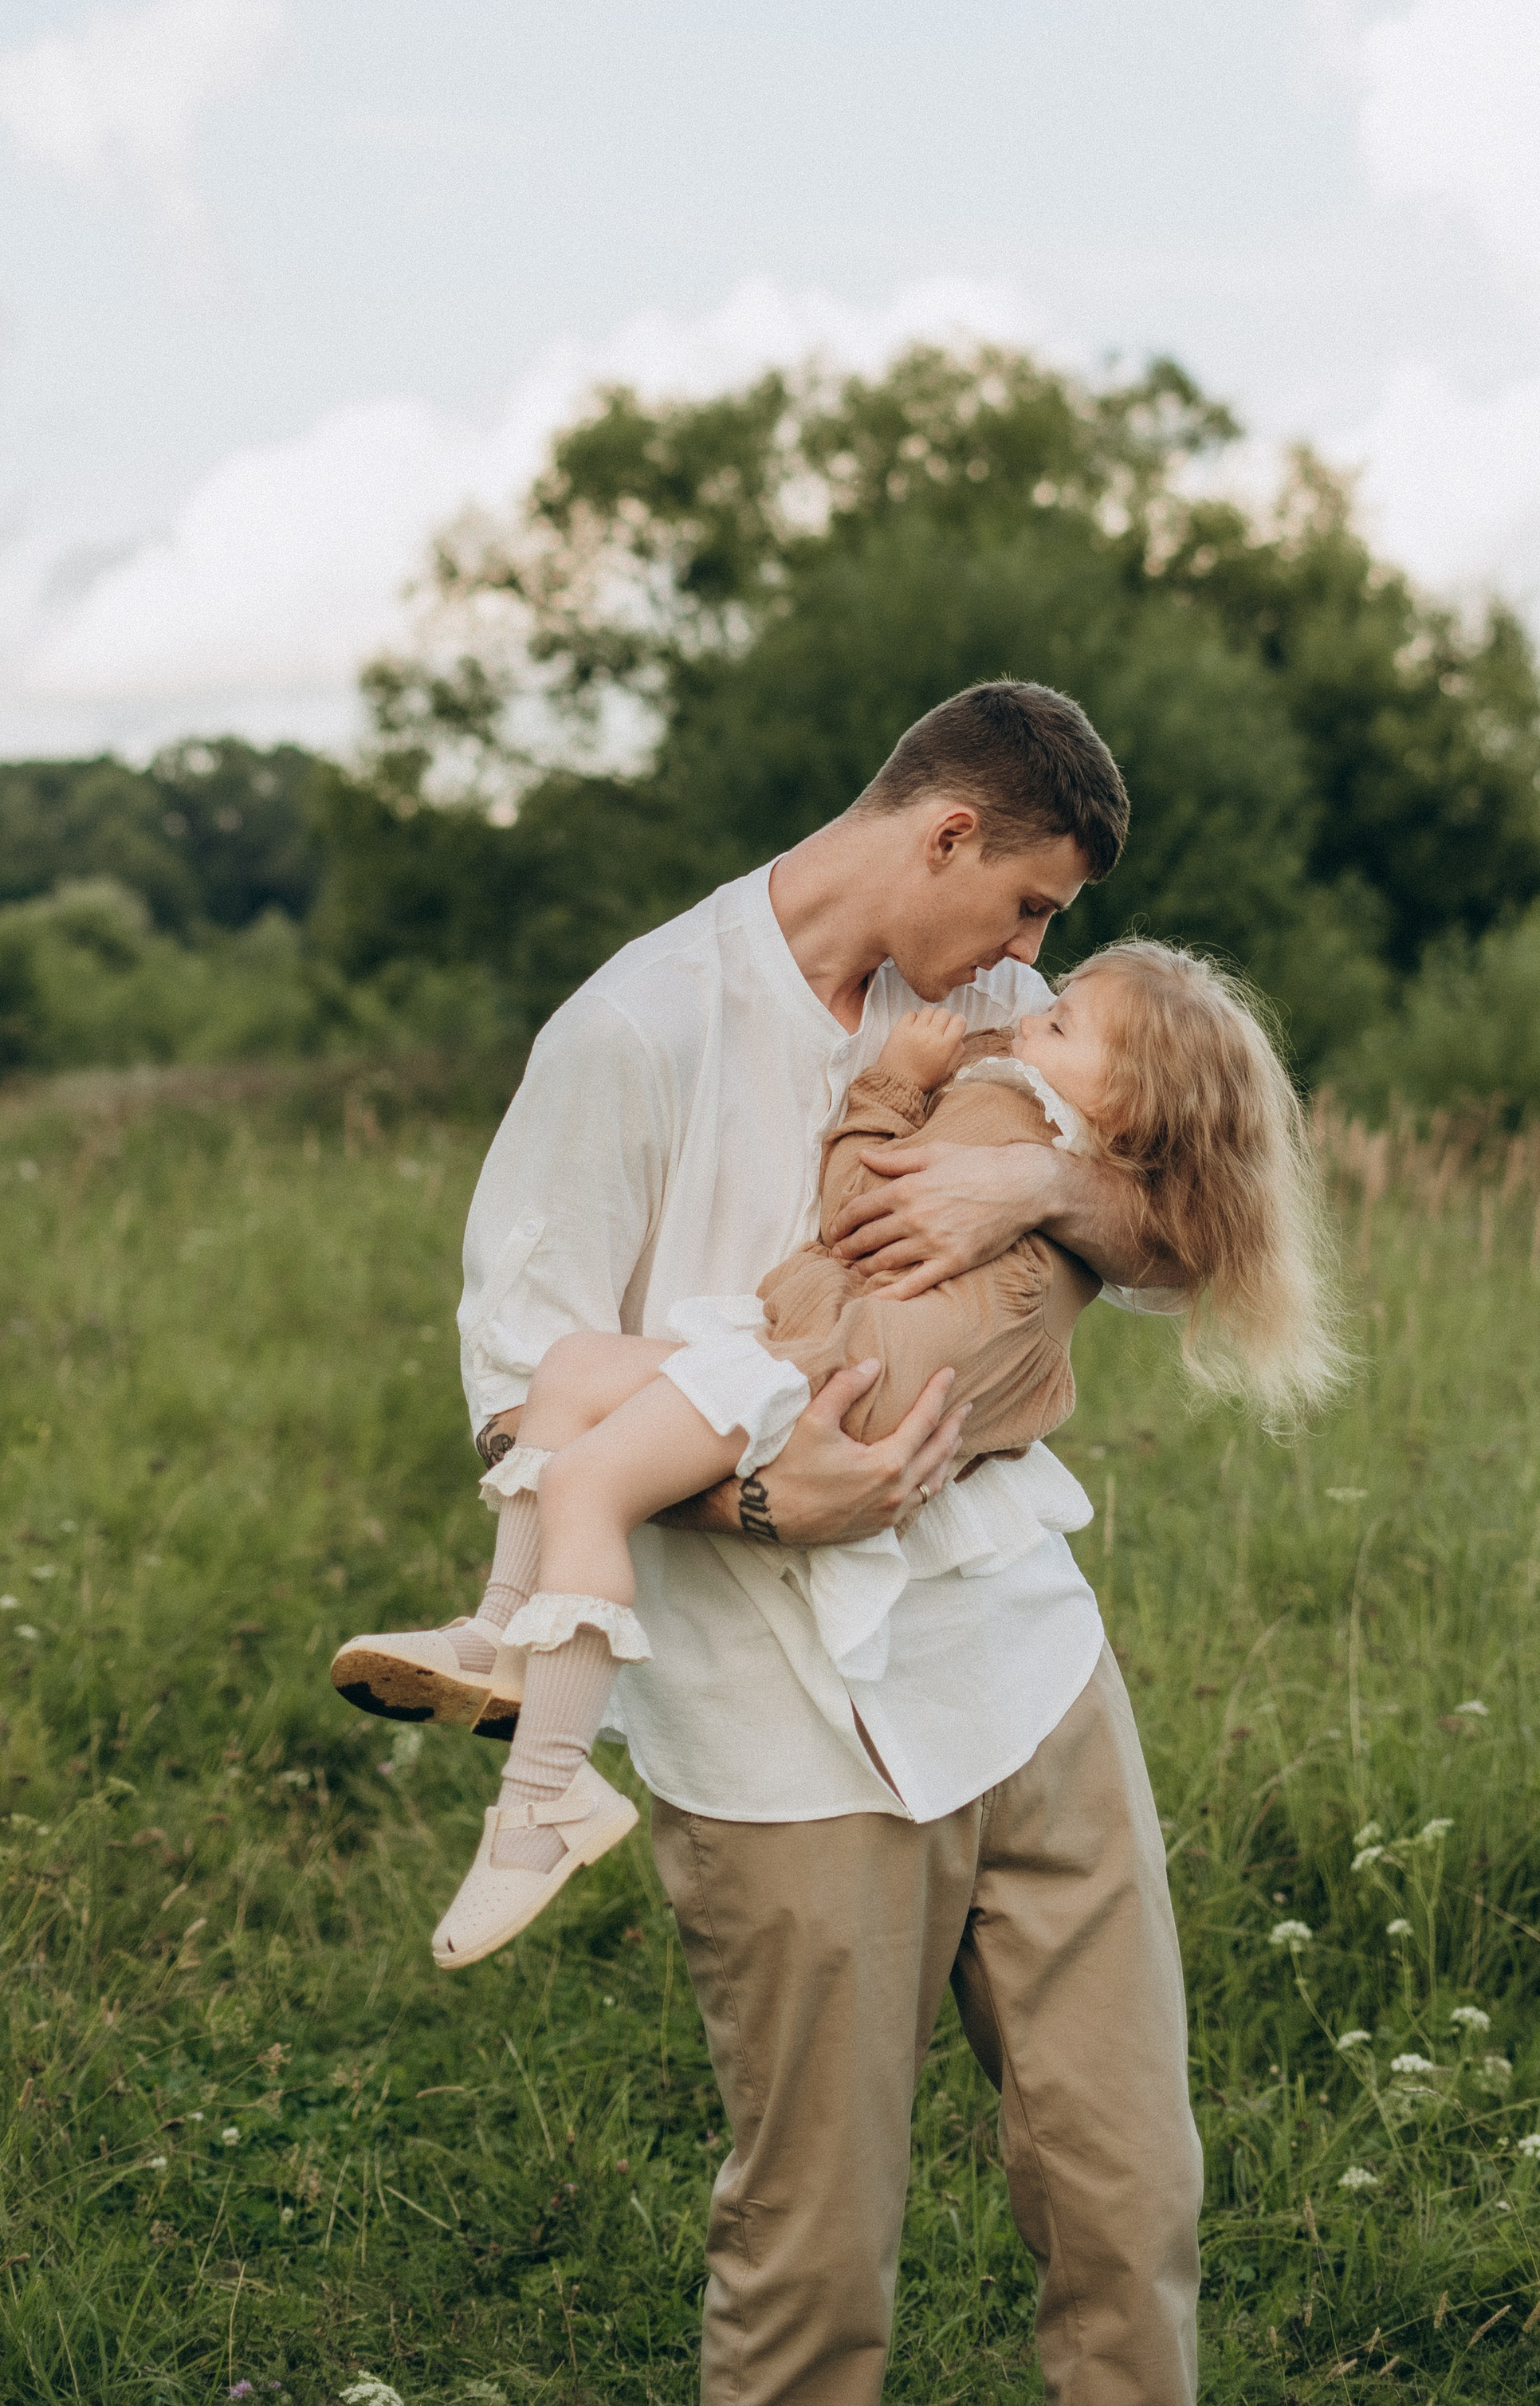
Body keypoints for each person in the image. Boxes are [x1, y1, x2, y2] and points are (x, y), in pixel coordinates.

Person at [336, 682, 1245, 2404]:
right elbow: (523, 1383)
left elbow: (1188, 1237)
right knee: (814, 2251)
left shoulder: (997, 1006)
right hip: (779, 1727)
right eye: (1030, 903)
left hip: (1024, 1665)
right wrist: (764, 1494)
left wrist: (1039, 1194)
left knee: (1131, 2196)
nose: (1034, 952)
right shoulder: (635, 1030)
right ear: (947, 833)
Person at [340, 941, 1335, 1969]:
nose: (1033, 998)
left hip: (838, 1373)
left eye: (1064, 1022)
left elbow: (856, 1201)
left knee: (590, 1480)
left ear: (1130, 1100)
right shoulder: (1037, 1105)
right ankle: (504, 1633)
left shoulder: (1011, 1110)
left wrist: (896, 1083)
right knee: (573, 1373)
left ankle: (546, 1794)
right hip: (818, 1354)